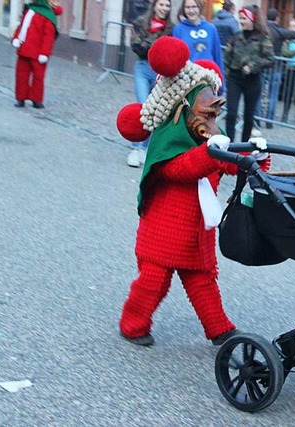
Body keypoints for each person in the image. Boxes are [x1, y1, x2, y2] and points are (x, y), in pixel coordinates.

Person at [116, 37, 271, 347]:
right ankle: (133, 324)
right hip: (164, 230)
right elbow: (180, 168)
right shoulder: (167, 146)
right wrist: (211, 153)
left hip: (197, 228)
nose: (213, 125)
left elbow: (225, 161)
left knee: (203, 280)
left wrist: (252, 160)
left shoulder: (207, 139)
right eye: (208, 117)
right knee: (153, 282)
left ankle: (220, 329)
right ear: (181, 110)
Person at [127, 0, 173, 168]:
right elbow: (135, 45)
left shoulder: (170, 28)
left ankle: (145, 148)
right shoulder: (141, 22)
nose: (164, 8)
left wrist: (150, 44)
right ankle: (134, 147)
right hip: (142, 67)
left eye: (167, 6)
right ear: (154, 6)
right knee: (142, 106)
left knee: (154, 110)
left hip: (160, 71)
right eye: (161, 5)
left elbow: (168, 50)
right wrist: (156, 44)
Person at [223, 5, 274, 142]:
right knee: (231, 113)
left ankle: (244, 146)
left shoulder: (263, 38)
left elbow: (269, 58)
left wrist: (253, 66)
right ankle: (229, 144)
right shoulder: (236, 37)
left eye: (244, 18)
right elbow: (227, 56)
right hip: (235, 78)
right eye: (240, 18)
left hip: (252, 80)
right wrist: (227, 73)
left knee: (248, 115)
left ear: (253, 19)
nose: (241, 21)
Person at [11, 0, 63, 109]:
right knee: (21, 75)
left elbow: (48, 37)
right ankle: (21, 98)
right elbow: (21, 27)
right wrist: (16, 37)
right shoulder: (29, 10)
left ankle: (36, 99)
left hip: (38, 52)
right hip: (24, 48)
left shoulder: (47, 15)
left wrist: (45, 53)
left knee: (38, 77)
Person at [259, 8, 295, 129]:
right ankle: (269, 121)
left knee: (260, 92)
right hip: (275, 67)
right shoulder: (279, 32)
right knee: (272, 95)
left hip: (262, 66)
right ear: (277, 18)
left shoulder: (261, 30)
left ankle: (257, 118)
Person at [173, 0, 224, 86]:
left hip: (209, 77)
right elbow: (176, 57)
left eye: (194, 7)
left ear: (199, 8)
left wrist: (222, 82)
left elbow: (217, 55)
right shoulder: (178, 29)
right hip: (188, 80)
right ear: (183, 9)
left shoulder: (211, 28)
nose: (191, 11)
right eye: (188, 7)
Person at [280, 19, 295, 123]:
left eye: (294, 26)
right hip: (290, 69)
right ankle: (285, 113)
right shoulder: (287, 41)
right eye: (290, 26)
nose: (292, 28)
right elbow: (285, 53)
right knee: (288, 93)